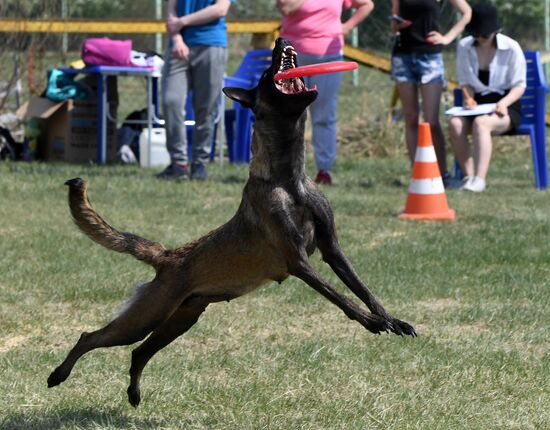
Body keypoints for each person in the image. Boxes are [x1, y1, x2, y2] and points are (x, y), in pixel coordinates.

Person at [276, 0, 374, 185]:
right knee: (288, 115)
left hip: (328, 57)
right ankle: (285, 170)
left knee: (324, 115)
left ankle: (324, 170)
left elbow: (366, 4)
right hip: (292, 57)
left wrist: (346, 27)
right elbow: (286, 7)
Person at [390, 0, 471, 184]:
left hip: (430, 57)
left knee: (432, 122)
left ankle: (442, 174)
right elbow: (393, 28)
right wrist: (397, 24)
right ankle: (418, 174)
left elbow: (467, 12)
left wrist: (447, 38)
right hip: (403, 56)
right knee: (411, 118)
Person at [448, 3, 526, 192]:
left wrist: (503, 103)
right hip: (478, 104)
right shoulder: (464, 46)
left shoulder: (511, 48)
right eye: (476, 34)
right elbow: (465, 82)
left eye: (485, 34)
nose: (481, 39)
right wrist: (468, 98)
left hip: (506, 104)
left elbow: (519, 85)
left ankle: (479, 180)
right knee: (455, 123)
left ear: (495, 31)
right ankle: (468, 177)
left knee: (481, 123)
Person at [157, 0, 233, 181]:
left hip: (211, 44)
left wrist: (182, 22)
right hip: (178, 47)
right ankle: (178, 163)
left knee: (205, 108)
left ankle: (200, 163)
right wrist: (176, 38)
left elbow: (220, 9)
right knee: (171, 101)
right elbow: (171, 10)